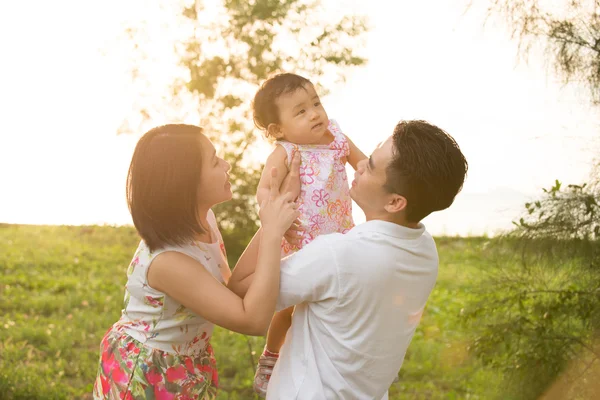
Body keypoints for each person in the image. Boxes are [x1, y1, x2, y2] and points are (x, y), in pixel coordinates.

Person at [229, 120, 468, 399]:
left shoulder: (338, 255)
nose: (359, 164)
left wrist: (276, 216)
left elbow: (240, 288)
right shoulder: (426, 250)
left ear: (395, 202)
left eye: (372, 166)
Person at [93, 124, 300, 399]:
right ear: (185, 182)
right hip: (151, 372)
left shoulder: (202, 221)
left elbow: (232, 289)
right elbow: (252, 321)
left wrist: (270, 216)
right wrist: (272, 234)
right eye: (215, 161)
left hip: (186, 361)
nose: (226, 165)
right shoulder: (169, 261)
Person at [250, 72, 367, 396]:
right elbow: (264, 191)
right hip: (302, 241)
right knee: (289, 308)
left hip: (343, 236)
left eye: (315, 103)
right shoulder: (286, 151)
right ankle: (271, 358)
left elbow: (364, 166)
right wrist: (273, 208)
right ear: (278, 129)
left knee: (342, 302)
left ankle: (352, 359)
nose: (315, 113)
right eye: (300, 111)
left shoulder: (338, 138)